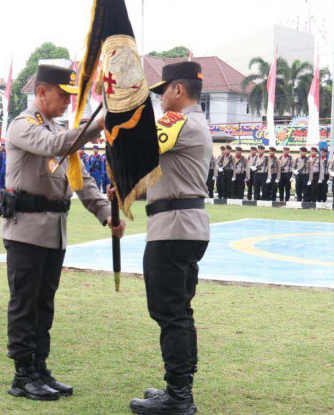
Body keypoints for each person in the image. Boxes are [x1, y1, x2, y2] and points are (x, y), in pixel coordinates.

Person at [1, 64, 124, 402]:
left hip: (54, 232)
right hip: (25, 230)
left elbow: (80, 177)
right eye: (63, 94)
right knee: (25, 303)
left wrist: (104, 213)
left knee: (44, 304)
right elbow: (55, 145)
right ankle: (22, 373)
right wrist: (94, 127)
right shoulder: (22, 126)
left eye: (72, 95)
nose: (69, 101)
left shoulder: (58, 129)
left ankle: (39, 367)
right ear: (41, 92)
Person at [130, 61, 210, 415]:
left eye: (163, 92)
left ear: (178, 89)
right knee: (179, 310)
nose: (161, 100)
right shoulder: (194, 123)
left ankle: (179, 396)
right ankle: (178, 387)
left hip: (173, 227)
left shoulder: (178, 121)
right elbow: (154, 168)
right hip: (184, 224)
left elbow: (138, 147)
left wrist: (119, 114)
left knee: (169, 312)